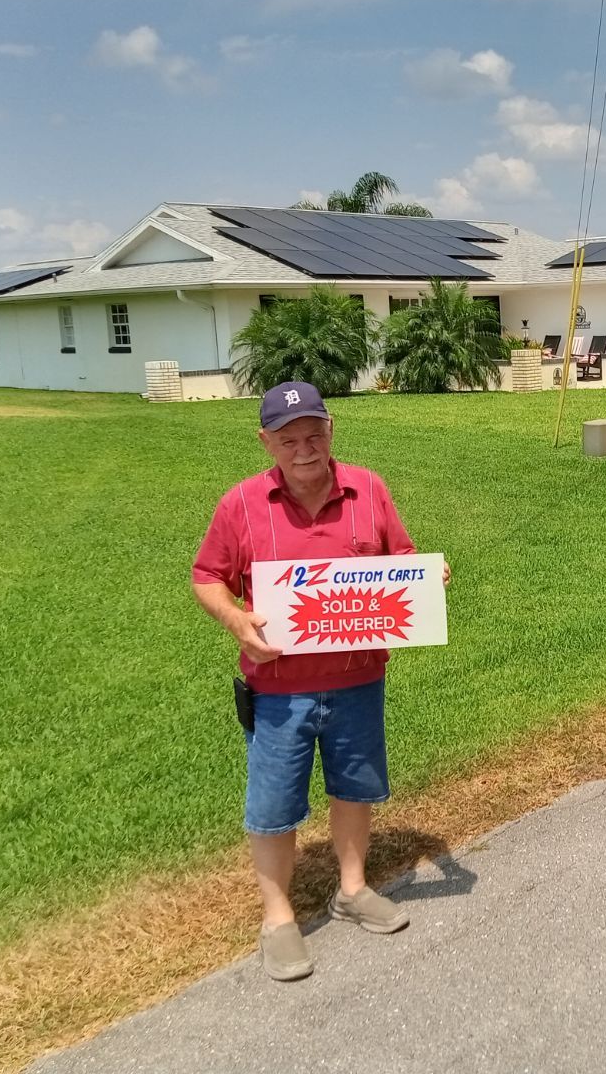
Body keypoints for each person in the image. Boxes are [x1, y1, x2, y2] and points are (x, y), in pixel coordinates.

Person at [191, 380, 450, 981]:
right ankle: (278, 917)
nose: (303, 448)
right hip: (279, 686)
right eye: (288, 439)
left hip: (359, 676)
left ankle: (352, 889)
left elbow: (398, 560)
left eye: (314, 434)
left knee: (354, 787)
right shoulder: (242, 504)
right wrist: (236, 618)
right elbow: (207, 576)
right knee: (274, 805)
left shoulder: (368, 490)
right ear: (266, 443)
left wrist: (425, 576)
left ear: (331, 431)